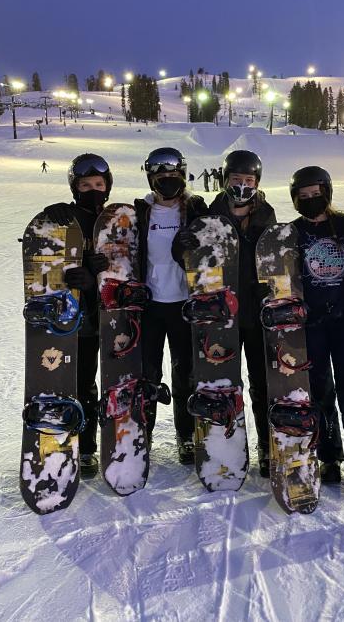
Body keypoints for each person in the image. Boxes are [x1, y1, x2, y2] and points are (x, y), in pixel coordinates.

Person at [290, 166, 344, 501]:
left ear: (327, 192)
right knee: (320, 394)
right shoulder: (292, 232)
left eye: (317, 194)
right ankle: (328, 457)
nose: (312, 201)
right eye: (305, 197)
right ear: (296, 200)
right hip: (311, 326)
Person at [135, 147, 208, 464]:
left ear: (183, 176)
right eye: (161, 177)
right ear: (152, 179)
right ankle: (143, 434)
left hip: (185, 304)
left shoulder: (197, 210)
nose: (168, 182)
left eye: (174, 176)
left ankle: (187, 435)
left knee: (186, 374)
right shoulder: (139, 213)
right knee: (146, 374)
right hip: (150, 305)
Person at [42, 153, 112, 478]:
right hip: (69, 320)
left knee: (99, 384)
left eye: (99, 185)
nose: (93, 190)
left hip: (104, 319)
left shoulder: (115, 223)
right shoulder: (67, 220)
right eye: (86, 185)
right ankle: (70, 445)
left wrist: (95, 280)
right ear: (75, 187)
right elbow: (43, 261)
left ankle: (91, 447)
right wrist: (50, 216)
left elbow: (128, 270)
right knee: (68, 384)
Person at [208, 150, 276, 477]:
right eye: (237, 180)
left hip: (257, 314)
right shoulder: (213, 213)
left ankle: (267, 445)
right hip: (224, 315)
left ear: (257, 183)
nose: (242, 186)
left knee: (263, 383)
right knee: (224, 383)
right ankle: (226, 445)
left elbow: (279, 259)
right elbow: (193, 255)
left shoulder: (266, 214)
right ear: (226, 181)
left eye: (249, 181)